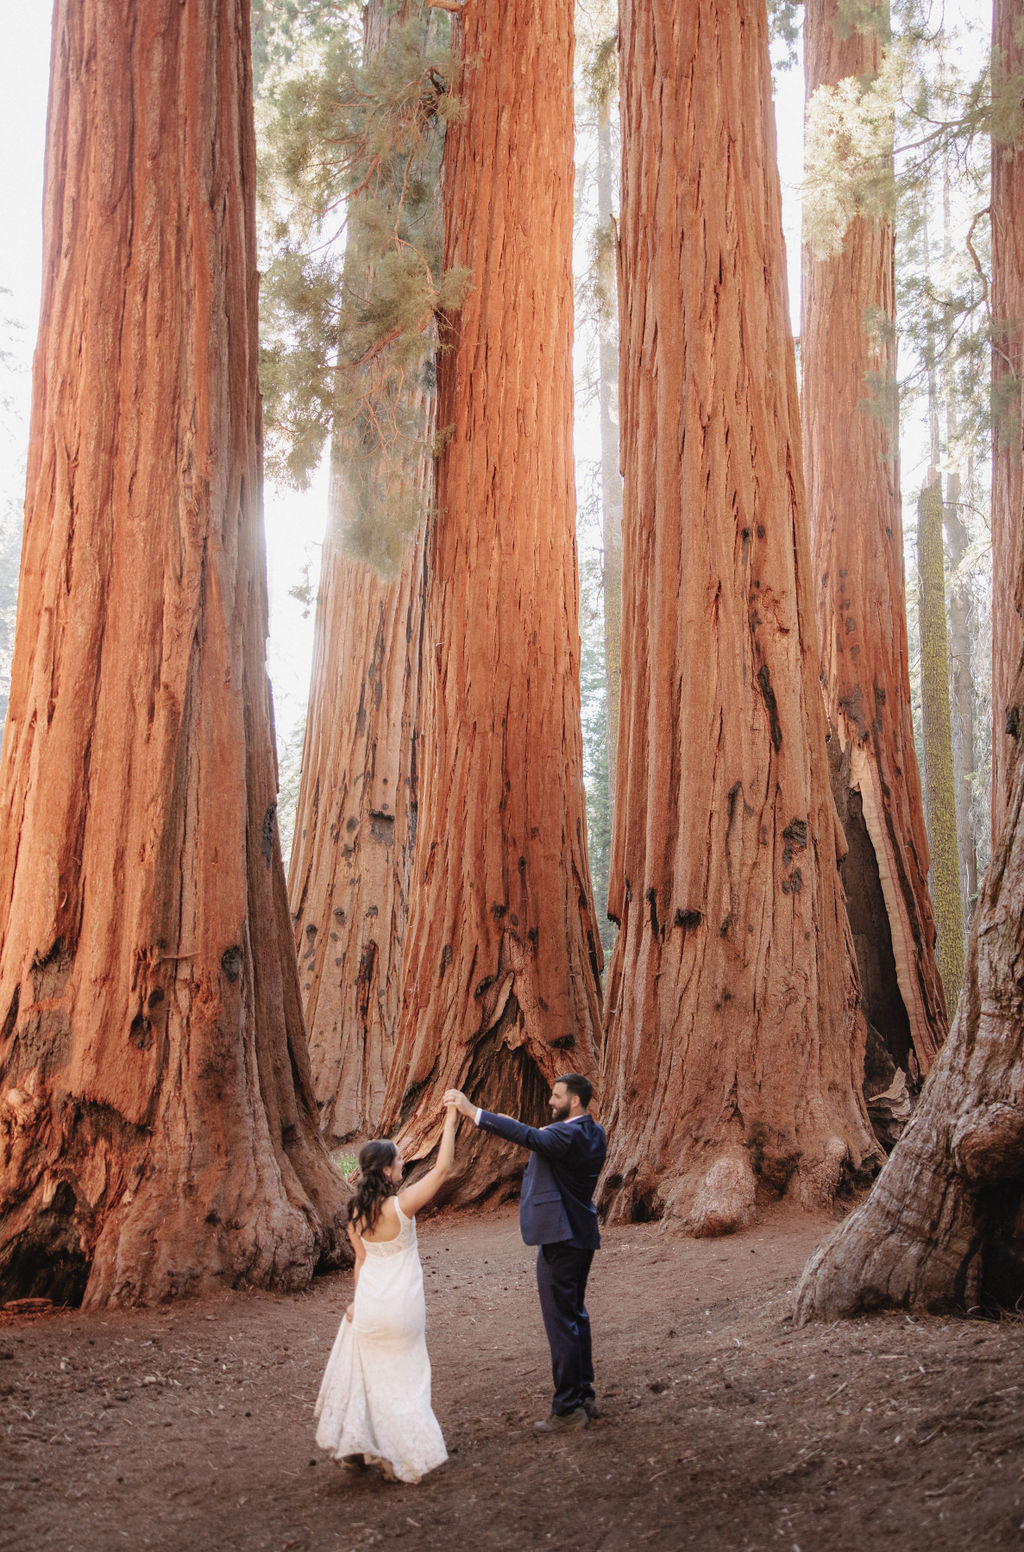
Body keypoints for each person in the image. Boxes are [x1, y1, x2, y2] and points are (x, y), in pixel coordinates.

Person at [443, 1074, 606, 1434]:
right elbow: (533, 1131)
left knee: (562, 1322)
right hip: (580, 1234)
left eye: (556, 1096)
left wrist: (473, 1112)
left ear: (575, 1102)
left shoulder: (567, 1134)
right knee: (576, 1316)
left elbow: (529, 1136)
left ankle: (567, 1410)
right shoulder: (594, 1132)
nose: (550, 1100)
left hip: (561, 1238)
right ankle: (584, 1395)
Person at [314, 1104, 460, 1483]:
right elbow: (444, 1169)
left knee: (370, 1374)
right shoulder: (401, 1206)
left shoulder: (355, 1215)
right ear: (385, 1171)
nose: (402, 1165)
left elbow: (361, 1262)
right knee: (406, 1381)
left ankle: (361, 1447)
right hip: (403, 1307)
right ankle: (401, 1454)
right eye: (398, 1161)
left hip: (372, 1307)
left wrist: (357, 1302)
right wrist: (452, 1116)